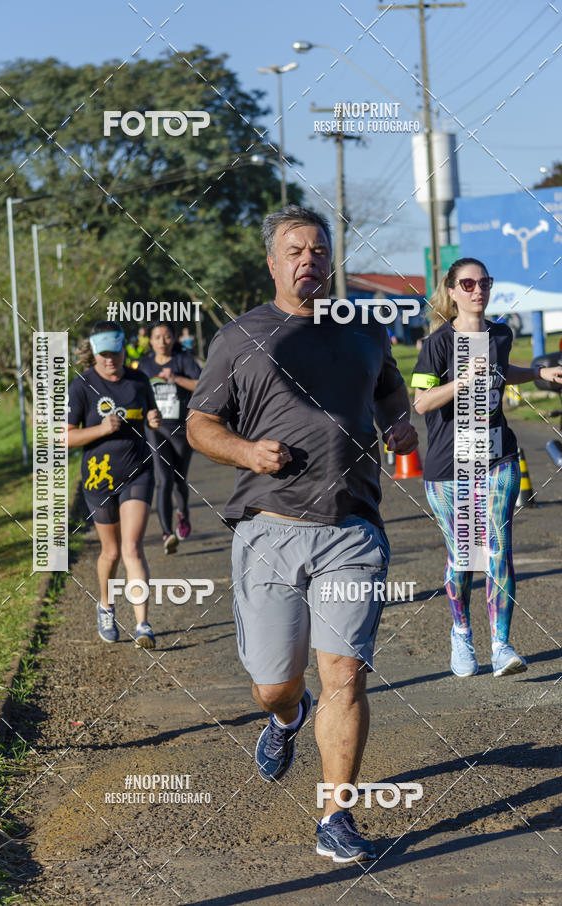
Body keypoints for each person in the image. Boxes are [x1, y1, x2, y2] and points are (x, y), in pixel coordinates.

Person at [187, 204, 417, 862]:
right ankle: (288, 716)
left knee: (345, 675)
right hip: (270, 529)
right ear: (272, 261)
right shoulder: (240, 337)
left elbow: (390, 395)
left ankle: (335, 817)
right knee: (271, 681)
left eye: (318, 249)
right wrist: (245, 451)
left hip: (352, 527)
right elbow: (202, 424)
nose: (307, 259)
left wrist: (400, 426)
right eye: (294, 250)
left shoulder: (366, 331)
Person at [412, 258, 562, 678]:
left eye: (485, 282)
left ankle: (502, 646)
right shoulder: (438, 343)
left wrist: (538, 372)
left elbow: (501, 370)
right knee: (465, 555)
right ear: (453, 290)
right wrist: (462, 380)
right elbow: (421, 402)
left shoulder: (501, 334)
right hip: (449, 466)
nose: (478, 289)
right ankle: (461, 634)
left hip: (499, 458)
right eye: (468, 283)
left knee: (497, 549)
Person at [67, 321, 161, 648]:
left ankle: (143, 625)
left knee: (132, 547)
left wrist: (153, 419)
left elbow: (150, 412)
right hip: (98, 478)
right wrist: (101, 430)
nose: (110, 360)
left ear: (124, 350)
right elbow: (65, 436)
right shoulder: (81, 386)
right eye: (103, 354)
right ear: (93, 353)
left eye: (115, 353)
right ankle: (106, 606)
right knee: (111, 551)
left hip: (138, 472)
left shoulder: (138, 380)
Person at [139, 322, 201, 553]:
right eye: (157, 337)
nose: (162, 342)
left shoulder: (183, 360)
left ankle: (183, 513)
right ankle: (167, 533)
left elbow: (202, 385)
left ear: (174, 338)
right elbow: (137, 396)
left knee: (178, 480)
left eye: (167, 337)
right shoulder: (144, 366)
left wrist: (176, 379)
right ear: (151, 341)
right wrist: (146, 416)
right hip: (156, 430)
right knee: (163, 480)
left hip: (181, 430)